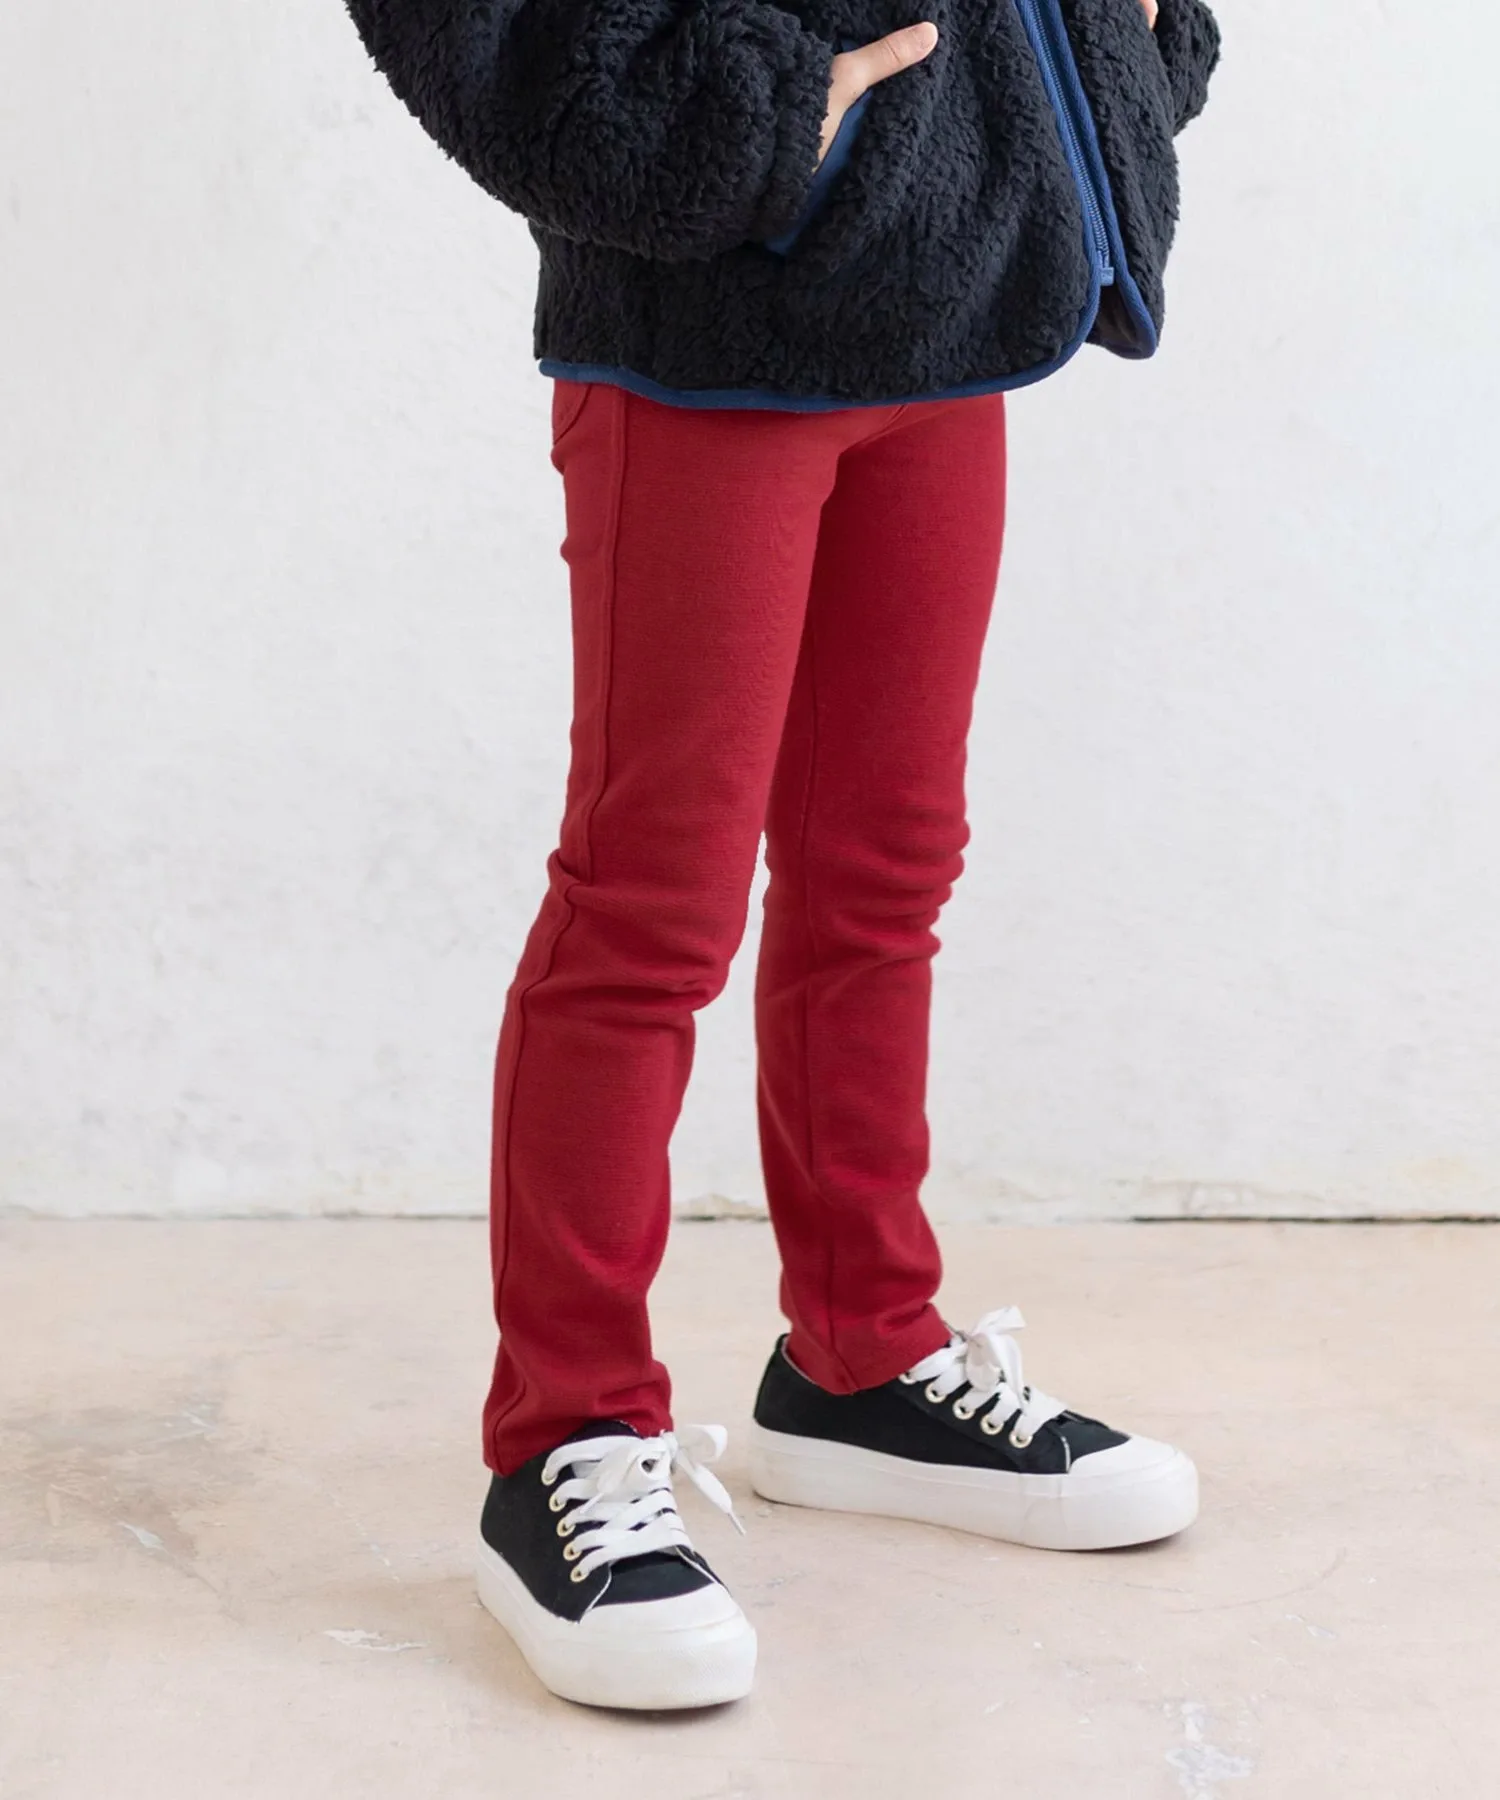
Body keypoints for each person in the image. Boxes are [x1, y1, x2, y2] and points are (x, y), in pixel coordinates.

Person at [345, 0, 1221, 1710]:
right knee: (650, 905)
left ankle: (860, 1360)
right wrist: (742, 126)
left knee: (885, 873)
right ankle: (564, 1436)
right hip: (708, 326)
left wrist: (1119, 46)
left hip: (945, 304)